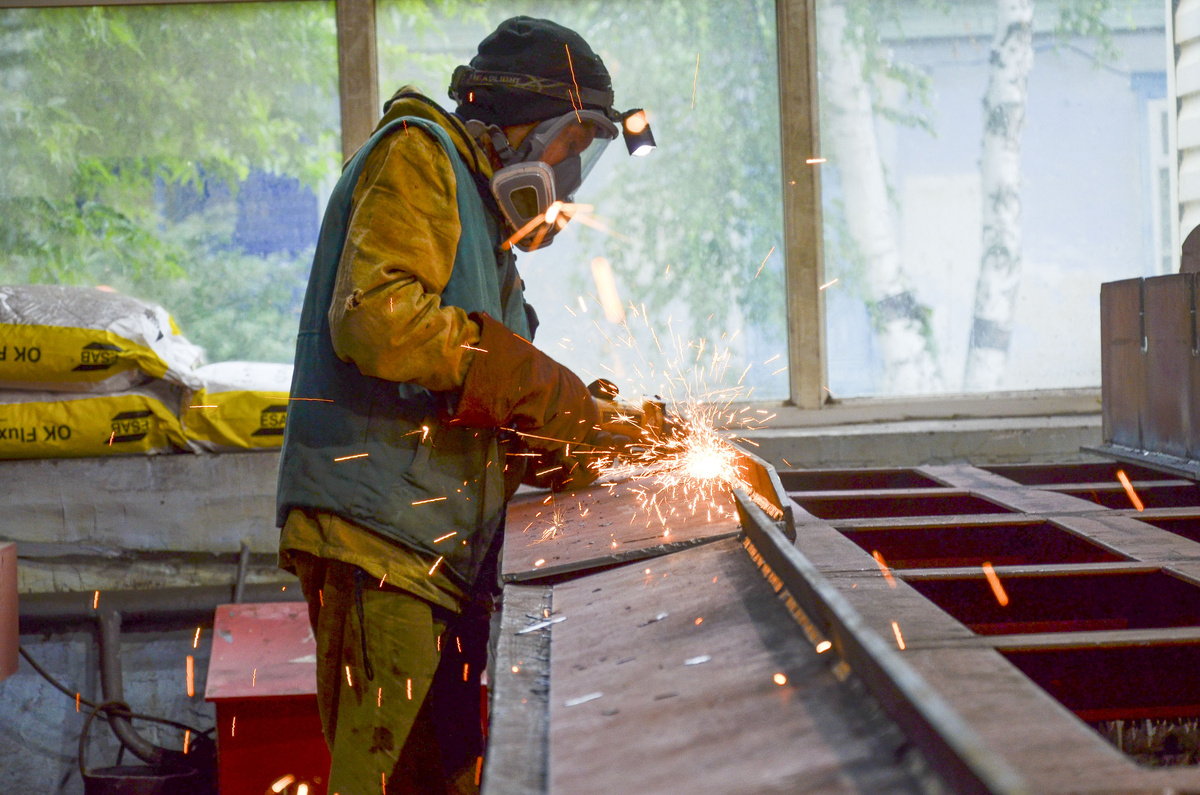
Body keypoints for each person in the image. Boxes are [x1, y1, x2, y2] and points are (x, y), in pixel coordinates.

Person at [275, 16, 648, 794]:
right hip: (381, 545)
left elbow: (493, 398)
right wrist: (521, 377)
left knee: (446, 779)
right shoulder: (419, 154)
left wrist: (604, 432)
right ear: (520, 127)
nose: (570, 174)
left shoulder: (485, 232)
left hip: (435, 556)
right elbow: (374, 319)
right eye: (571, 144)